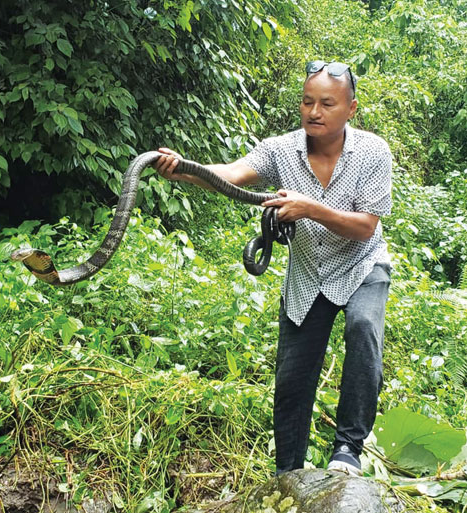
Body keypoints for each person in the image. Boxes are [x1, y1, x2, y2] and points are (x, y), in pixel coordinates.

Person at [154, 61, 392, 477]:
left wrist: (308, 208)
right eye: (307, 102)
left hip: (362, 264)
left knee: (363, 328)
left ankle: (348, 449)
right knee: (292, 379)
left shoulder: (373, 151)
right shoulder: (281, 148)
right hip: (308, 275)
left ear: (351, 109)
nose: (314, 112)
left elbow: (365, 226)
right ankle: (288, 474)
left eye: (326, 104)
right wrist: (185, 169)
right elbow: (232, 175)